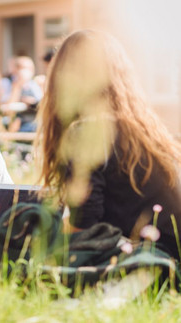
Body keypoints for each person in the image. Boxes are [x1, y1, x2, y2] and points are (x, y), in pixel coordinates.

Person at [35, 29, 181, 260]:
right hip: (168, 257)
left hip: (140, 263)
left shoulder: (87, 132)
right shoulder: (144, 129)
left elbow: (85, 226)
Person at [0, 56, 43, 132]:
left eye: (31, 69)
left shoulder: (33, 83)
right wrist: (17, 86)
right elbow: (6, 109)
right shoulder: (6, 82)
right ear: (15, 69)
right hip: (12, 122)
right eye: (24, 68)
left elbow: (41, 103)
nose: (28, 72)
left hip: (32, 121)